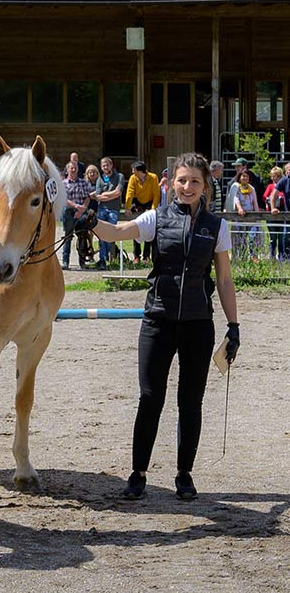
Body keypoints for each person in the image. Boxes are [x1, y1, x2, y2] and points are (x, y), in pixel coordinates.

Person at [76, 152, 238, 502]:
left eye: (195, 181)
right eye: (182, 180)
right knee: (150, 398)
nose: (187, 186)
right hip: (158, 321)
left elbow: (224, 280)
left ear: (205, 185)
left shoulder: (217, 227)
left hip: (198, 324)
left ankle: (184, 474)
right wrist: (90, 222)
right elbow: (118, 231)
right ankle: (138, 473)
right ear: (171, 183)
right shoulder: (156, 218)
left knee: (189, 402)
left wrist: (234, 325)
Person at [124, 160, 160, 264]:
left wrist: (153, 209)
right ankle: (136, 255)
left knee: (149, 229)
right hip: (138, 203)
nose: (132, 172)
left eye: (134, 170)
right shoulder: (133, 178)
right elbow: (130, 193)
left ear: (140, 171)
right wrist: (127, 208)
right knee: (136, 228)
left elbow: (156, 194)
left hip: (149, 202)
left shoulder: (153, 177)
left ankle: (146, 256)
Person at [92, 156, 123, 269]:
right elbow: (98, 197)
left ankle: (109, 257)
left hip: (113, 209)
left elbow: (118, 193)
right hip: (102, 209)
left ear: (111, 165)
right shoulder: (100, 179)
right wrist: (110, 194)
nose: (105, 167)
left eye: (107, 165)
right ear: (101, 167)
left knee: (110, 234)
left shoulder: (119, 177)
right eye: (103, 165)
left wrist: (105, 195)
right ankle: (103, 259)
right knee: (101, 235)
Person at [61, 159, 92, 269]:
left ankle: (82, 262)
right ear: (67, 170)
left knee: (83, 236)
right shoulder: (63, 183)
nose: (73, 170)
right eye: (71, 168)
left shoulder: (83, 182)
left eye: (75, 168)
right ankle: (65, 261)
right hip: (68, 212)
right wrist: (75, 206)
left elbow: (87, 197)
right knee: (67, 237)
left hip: (81, 211)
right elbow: (64, 198)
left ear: (78, 169)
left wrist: (80, 210)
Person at [263, 166, 286, 260]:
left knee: (281, 237)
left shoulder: (284, 185)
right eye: (272, 176)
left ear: (280, 176)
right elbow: (265, 196)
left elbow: (284, 196)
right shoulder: (270, 186)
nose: (272, 178)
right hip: (271, 216)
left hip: (281, 215)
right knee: (272, 237)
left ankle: (281, 256)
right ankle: (272, 256)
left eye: (275, 176)